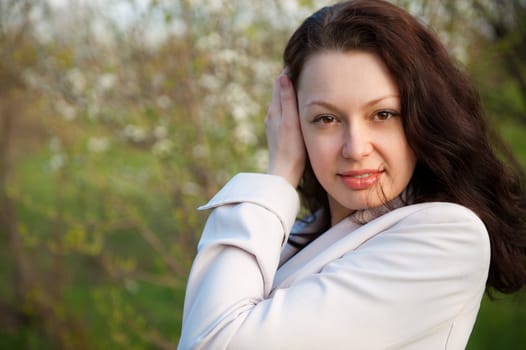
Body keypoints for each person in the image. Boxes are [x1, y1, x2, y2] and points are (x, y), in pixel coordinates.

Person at [178, 0, 526, 349]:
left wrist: (278, 179)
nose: (355, 148)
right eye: (326, 119)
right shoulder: (290, 235)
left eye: (383, 114)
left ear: (424, 120)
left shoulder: (447, 237)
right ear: (294, 126)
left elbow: (211, 343)